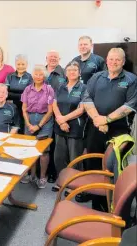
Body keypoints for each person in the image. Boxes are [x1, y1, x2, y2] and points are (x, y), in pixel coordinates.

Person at [83, 48, 137, 210]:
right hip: (95, 126)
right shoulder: (96, 77)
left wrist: (106, 119)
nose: (113, 62)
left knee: (113, 164)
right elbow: (86, 99)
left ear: (122, 61)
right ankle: (96, 200)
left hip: (118, 130)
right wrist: (98, 120)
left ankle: (113, 202)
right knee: (92, 161)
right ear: (106, 60)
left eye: (117, 60)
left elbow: (130, 105)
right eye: (111, 59)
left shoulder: (131, 79)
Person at [52, 61, 87, 191]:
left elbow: (82, 109)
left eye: (74, 70)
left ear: (79, 73)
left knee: (74, 157)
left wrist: (64, 119)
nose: (72, 72)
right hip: (60, 126)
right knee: (59, 156)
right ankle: (61, 180)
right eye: (69, 70)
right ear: (66, 73)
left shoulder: (83, 88)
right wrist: (61, 121)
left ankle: (74, 184)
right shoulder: (60, 86)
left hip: (75, 127)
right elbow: (54, 104)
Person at [20, 65, 54, 189]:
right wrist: (28, 124)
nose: (38, 77)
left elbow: (50, 111)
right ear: (32, 75)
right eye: (36, 74)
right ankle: (32, 175)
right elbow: (23, 109)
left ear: (44, 76)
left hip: (44, 120)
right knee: (30, 149)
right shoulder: (27, 89)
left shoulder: (49, 90)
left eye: (41, 75)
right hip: (29, 119)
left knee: (44, 150)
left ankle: (42, 177)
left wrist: (39, 125)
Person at [45, 50, 66, 183]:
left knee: (53, 144)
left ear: (59, 59)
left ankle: (52, 172)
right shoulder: (40, 70)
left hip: (56, 112)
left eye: (55, 57)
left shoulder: (64, 73)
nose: (53, 59)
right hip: (40, 112)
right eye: (50, 57)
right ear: (46, 58)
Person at [5, 54, 33, 133]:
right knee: (11, 129)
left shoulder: (30, 77)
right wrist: (21, 95)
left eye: (23, 64)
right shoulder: (10, 76)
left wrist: (12, 94)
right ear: (15, 64)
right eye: (18, 64)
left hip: (24, 108)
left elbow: (28, 95)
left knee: (21, 129)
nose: (20, 66)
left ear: (27, 65)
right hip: (10, 107)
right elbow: (6, 94)